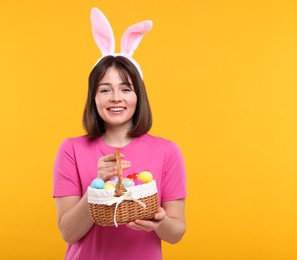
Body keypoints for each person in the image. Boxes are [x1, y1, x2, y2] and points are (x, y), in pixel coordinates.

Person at [52, 8, 186, 260]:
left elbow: (177, 233)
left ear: (138, 96)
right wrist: (96, 186)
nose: (115, 98)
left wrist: (159, 220)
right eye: (105, 90)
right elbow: (68, 233)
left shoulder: (167, 151)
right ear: (93, 98)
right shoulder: (70, 149)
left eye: (126, 89)